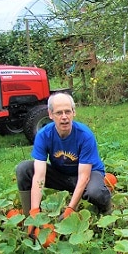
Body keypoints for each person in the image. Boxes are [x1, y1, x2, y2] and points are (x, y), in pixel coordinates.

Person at [16, 92, 112, 222]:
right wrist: (34, 211)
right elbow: (39, 175)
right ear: (50, 114)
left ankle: (106, 208)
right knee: (24, 169)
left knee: (95, 192)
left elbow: (84, 177)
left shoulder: (85, 135)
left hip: (88, 175)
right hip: (61, 175)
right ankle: (31, 220)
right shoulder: (44, 135)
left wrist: (70, 209)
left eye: (68, 112)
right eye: (59, 113)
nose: (64, 117)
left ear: (74, 112)